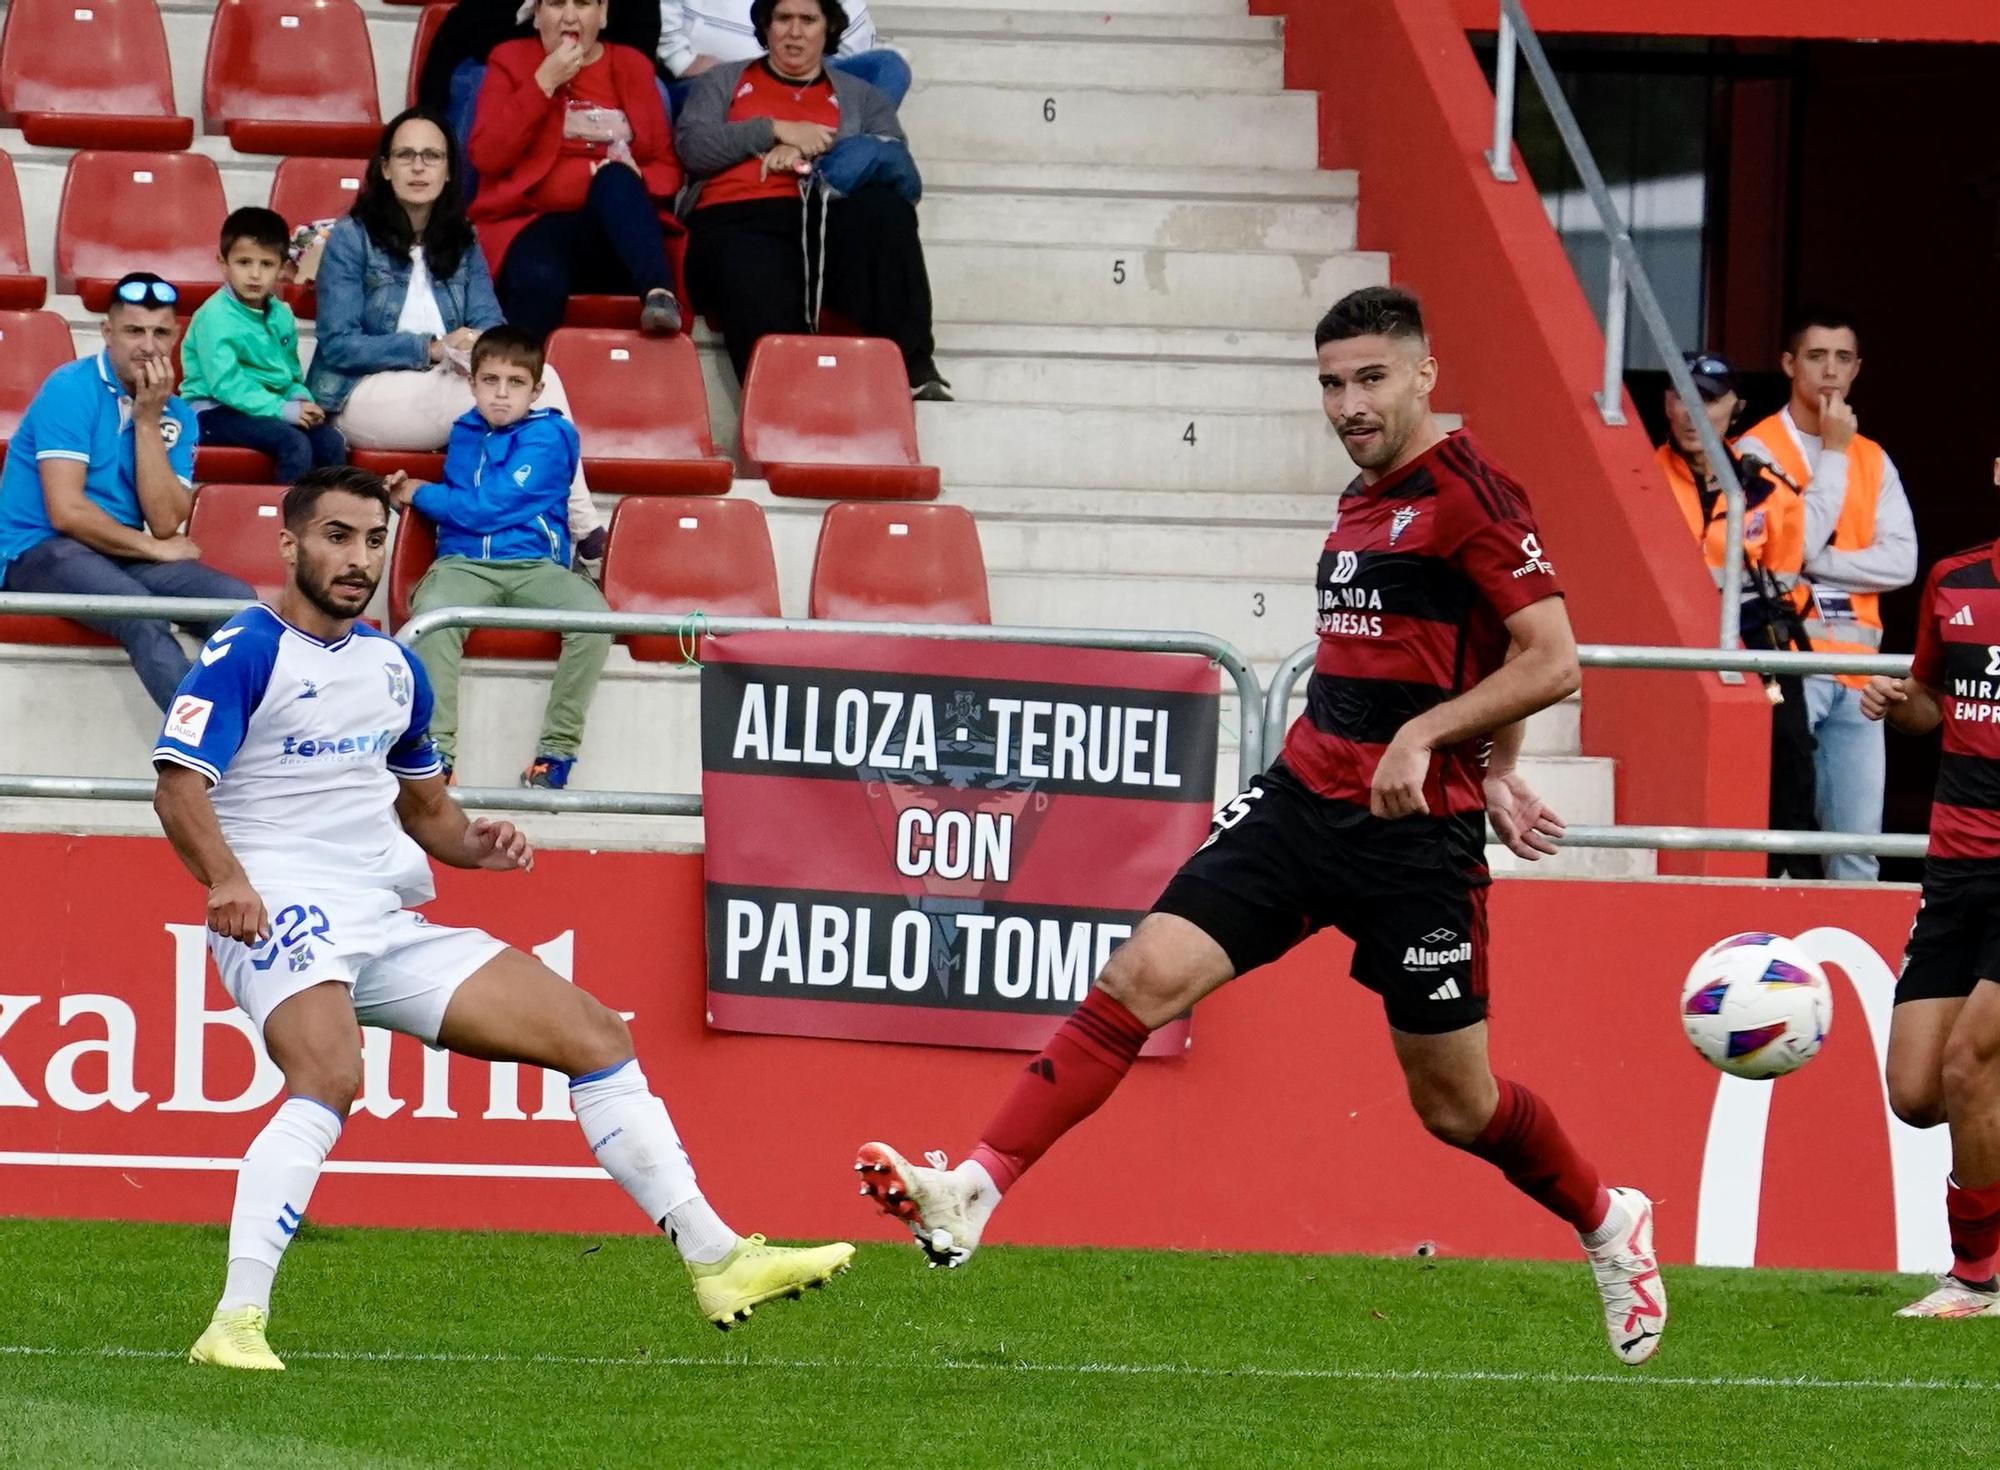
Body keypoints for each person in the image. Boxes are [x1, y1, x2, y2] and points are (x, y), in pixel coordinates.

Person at [854, 286, 1669, 1366]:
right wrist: (1496, 757)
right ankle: (972, 1188)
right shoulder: (1360, 496)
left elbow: (1549, 657)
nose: (1348, 404)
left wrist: (1444, 747)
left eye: (1370, 378)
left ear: (1424, 374)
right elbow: (1469, 648)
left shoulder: (1475, 495)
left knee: (1455, 1106)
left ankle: (1609, 1222)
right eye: (1330, 384)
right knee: (1137, 977)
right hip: (1301, 798)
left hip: (1413, 840)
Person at [157, 465, 853, 1371]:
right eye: (336, 536)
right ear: (289, 544)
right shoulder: (245, 648)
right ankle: (235, 1320)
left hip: (380, 914)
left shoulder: (395, 668)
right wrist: (224, 882)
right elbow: (178, 787)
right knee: (329, 1076)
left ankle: (715, 1257)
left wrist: (476, 845)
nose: (358, 558)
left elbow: (426, 814)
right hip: (282, 906)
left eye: (374, 541)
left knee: (595, 1033)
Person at [307, 107, 607, 570]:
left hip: (445, 381)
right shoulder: (352, 238)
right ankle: (583, 527)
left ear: (449, 171)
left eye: (432, 155)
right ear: (385, 168)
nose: (419, 166)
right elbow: (338, 344)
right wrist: (431, 348)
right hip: (361, 394)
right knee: (512, 393)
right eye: (406, 155)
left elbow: (492, 324)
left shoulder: (461, 238)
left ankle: (564, 532)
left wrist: (473, 346)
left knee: (530, 377)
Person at [0, 272, 254, 711]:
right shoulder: (70, 387)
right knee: (140, 613)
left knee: (239, 608)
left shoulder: (175, 413)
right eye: (134, 331)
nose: (149, 346)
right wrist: (154, 550)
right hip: (38, 551)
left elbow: (163, 521)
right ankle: (200, 755)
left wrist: (147, 421)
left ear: (176, 336)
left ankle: (260, 739)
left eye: (160, 333)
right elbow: (67, 512)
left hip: (116, 553)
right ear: (107, 333)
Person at [677, 0, 947, 399]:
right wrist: (773, 130)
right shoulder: (723, 81)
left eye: (808, 20)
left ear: (829, 28)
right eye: (783, 19)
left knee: (886, 211)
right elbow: (693, 148)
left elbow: (903, 173)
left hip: (822, 218)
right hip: (735, 217)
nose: (795, 31)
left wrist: (812, 152)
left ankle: (913, 364)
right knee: (750, 261)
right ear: (767, 28)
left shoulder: (863, 97)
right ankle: (781, 401)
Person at [1865, 535, 2000, 1318]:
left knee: (1967, 1061)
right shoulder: (1955, 579)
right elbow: (1928, 703)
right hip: (1954, 869)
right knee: (1917, 1093)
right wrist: (1896, 704)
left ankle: (1975, 1277)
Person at [1738, 307, 1917, 882]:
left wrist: (1819, 562)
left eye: (1843, 358)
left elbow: (1903, 562)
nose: (1830, 372)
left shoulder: (1874, 457)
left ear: (1858, 368)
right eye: (1817, 357)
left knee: (1857, 847)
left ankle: (1854, 961)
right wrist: (1834, 453)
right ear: (1790, 365)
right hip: (1787, 665)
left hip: (1860, 674)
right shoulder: (1755, 450)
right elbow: (1784, 552)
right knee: (1779, 829)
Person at [389, 328, 609, 789]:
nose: (502, 395)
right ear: (473, 385)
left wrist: (422, 493)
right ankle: (437, 758)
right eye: (490, 381)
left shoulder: (552, 435)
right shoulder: (464, 432)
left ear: (537, 389)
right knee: (433, 618)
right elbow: (475, 510)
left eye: (515, 383)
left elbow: (489, 507)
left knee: (594, 620)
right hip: (462, 566)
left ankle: (556, 751)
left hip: (536, 568)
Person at [1654, 351, 1817, 878]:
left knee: (1790, 756)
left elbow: (1783, 577)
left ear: (1736, 409)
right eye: (1681, 395)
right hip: (1671, 649)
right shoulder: (1641, 474)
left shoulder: (1766, 484)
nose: (1691, 411)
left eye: (1708, 399)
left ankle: (1791, 880)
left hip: (1757, 647)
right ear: (1665, 403)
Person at [468, 0, 686, 343]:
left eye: (583, 4)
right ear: (537, 14)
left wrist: (635, 175)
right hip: (535, 220)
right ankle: (517, 381)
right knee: (539, 278)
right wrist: (542, 83)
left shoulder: (632, 65)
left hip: (619, 233)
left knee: (614, 177)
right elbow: (488, 155)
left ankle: (659, 294)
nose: (570, 16)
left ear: (602, 13)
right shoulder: (510, 60)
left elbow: (667, 169)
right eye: (556, 3)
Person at [181, 207, 347, 484]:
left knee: (330, 441)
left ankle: (326, 518)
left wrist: (300, 399)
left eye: (266, 264)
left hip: (267, 406)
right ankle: (285, 521)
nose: (255, 275)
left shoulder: (281, 313)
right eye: (244, 263)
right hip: (213, 411)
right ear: (223, 263)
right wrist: (283, 410)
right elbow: (225, 384)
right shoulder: (214, 316)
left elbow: (288, 373)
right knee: (294, 443)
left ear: (282, 268)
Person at [658, 0, 909, 106]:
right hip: (722, 84)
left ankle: (835, 160)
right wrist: (679, 59)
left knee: (888, 67)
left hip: (800, 83)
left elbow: (852, 41)